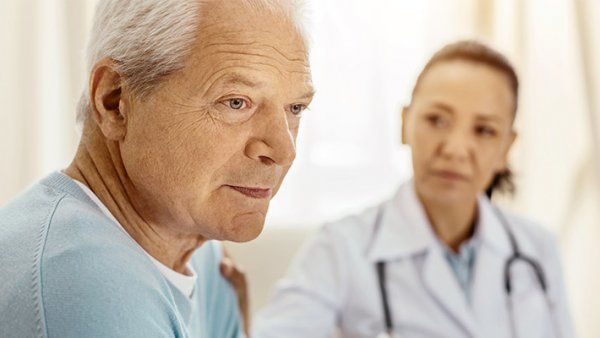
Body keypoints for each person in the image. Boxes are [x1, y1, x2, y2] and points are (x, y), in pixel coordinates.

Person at [0, 0, 314, 337]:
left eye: (295, 107)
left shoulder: (194, 242)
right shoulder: (84, 289)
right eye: (236, 102)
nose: (284, 150)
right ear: (114, 101)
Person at [252, 41, 575, 338]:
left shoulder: (537, 249)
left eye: (484, 130)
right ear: (405, 123)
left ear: (507, 147)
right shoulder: (340, 247)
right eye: (437, 120)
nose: (456, 148)